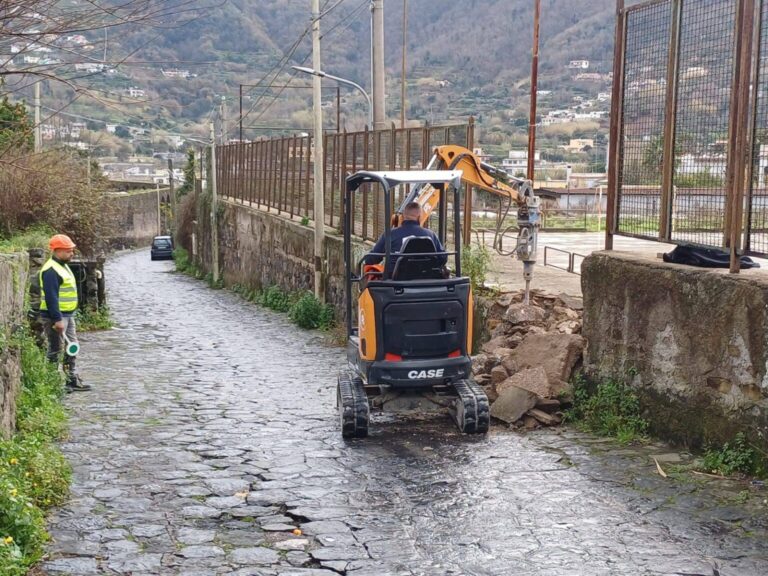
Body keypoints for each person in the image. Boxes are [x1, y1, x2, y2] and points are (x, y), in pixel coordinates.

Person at [40, 234, 90, 392]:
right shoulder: (51, 270)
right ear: (57, 250)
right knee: (55, 349)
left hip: (67, 315)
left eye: (71, 250)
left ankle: (71, 379)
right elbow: (51, 297)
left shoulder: (62, 265)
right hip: (56, 317)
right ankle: (52, 383)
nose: (71, 253)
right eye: (68, 251)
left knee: (72, 346)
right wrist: (57, 319)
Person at [365, 202, 447, 275]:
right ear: (419, 217)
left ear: (403, 216)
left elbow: (371, 259)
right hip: (426, 279)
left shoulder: (390, 234)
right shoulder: (430, 235)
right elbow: (443, 258)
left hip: (394, 281)